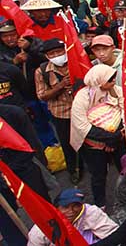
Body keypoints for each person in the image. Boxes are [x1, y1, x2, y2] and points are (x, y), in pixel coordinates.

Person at [70, 64, 125, 209]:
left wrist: (114, 138)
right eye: (109, 79)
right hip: (93, 145)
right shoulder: (82, 98)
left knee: (125, 169)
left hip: (118, 139)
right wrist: (109, 137)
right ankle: (100, 203)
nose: (114, 81)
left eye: (114, 77)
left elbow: (124, 112)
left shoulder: (116, 91)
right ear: (99, 80)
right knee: (98, 176)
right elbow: (82, 127)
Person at [33, 38, 80, 183]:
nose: (56, 56)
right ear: (47, 56)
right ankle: (74, 170)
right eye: (52, 54)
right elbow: (42, 95)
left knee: (89, 141)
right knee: (67, 144)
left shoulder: (76, 63)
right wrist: (59, 86)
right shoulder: (42, 72)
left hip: (82, 110)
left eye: (59, 52)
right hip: (61, 113)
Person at [27, 188, 118, 246]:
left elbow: (112, 234)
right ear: (56, 208)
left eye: (76, 205)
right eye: (65, 207)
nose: (71, 211)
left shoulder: (91, 212)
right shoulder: (41, 228)